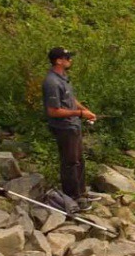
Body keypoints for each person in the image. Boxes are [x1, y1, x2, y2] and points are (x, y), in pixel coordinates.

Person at [42, 47, 97, 211]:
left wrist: (86, 111)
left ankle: (81, 193)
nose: (70, 60)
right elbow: (53, 111)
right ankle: (72, 198)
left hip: (73, 125)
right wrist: (80, 113)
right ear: (59, 61)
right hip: (64, 128)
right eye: (67, 57)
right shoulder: (51, 82)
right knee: (70, 163)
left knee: (79, 160)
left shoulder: (63, 78)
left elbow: (70, 99)